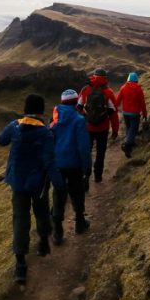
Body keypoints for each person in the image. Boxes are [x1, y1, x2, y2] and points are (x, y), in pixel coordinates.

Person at [0, 93, 65, 285]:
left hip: (18, 182)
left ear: (26, 109)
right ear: (42, 111)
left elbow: (1, 140)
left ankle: (20, 266)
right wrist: (59, 184)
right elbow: (50, 162)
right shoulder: (45, 133)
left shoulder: (15, 126)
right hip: (38, 183)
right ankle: (43, 243)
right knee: (42, 212)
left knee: (20, 219)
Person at [50, 89, 92, 242]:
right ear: (76, 102)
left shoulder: (55, 118)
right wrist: (87, 165)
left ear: (62, 102)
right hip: (74, 164)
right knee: (77, 193)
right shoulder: (79, 120)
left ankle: (57, 233)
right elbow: (83, 147)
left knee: (58, 195)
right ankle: (80, 223)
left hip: (57, 164)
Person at [78, 68, 119, 184]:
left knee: (87, 151)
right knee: (101, 152)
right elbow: (113, 112)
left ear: (93, 76)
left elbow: (79, 107)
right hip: (103, 128)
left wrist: (85, 120)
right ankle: (97, 176)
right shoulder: (108, 92)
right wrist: (115, 130)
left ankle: (86, 174)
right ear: (105, 78)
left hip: (88, 128)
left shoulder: (85, 89)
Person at [116, 72, 147, 158]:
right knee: (133, 129)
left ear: (128, 79)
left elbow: (118, 100)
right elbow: (142, 103)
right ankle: (127, 145)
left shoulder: (123, 88)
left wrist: (115, 108)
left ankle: (129, 147)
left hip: (125, 113)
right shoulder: (139, 90)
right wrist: (144, 114)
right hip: (135, 113)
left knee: (129, 128)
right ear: (136, 80)